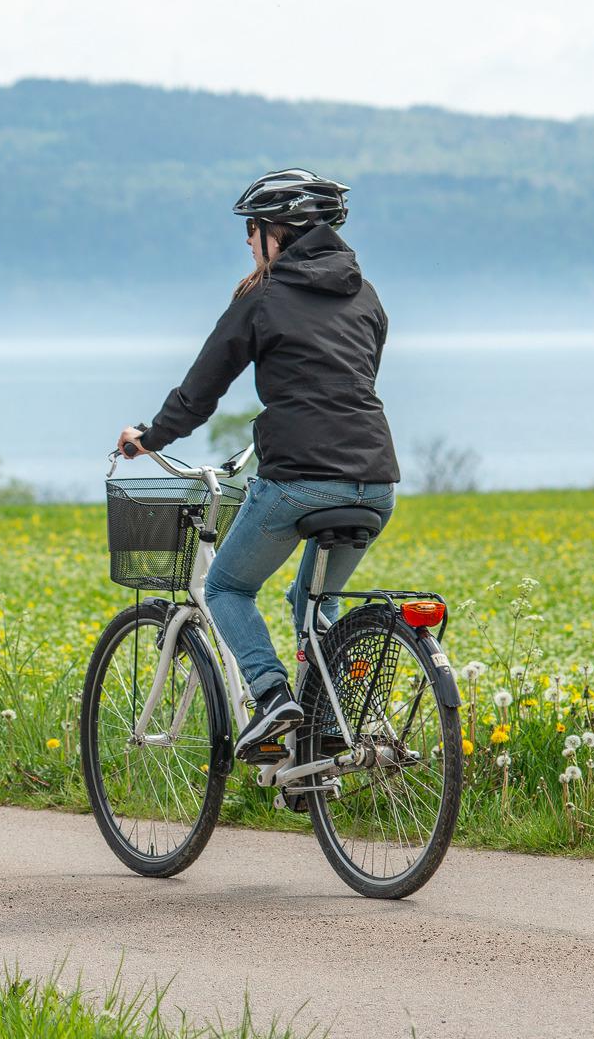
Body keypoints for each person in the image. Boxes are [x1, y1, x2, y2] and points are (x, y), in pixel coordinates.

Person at [117, 168, 399, 762]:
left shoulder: (263, 296)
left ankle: (271, 698)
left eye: (253, 228)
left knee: (226, 586)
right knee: (314, 603)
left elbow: (201, 390)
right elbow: (353, 380)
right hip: (376, 480)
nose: (248, 239)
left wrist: (149, 437)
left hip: (298, 479)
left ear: (280, 231)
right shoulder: (366, 293)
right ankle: (323, 734)